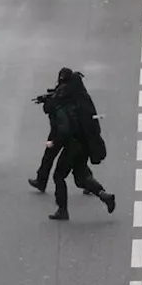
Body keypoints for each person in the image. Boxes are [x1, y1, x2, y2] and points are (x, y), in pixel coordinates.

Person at [45, 68, 116, 220]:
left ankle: (62, 210)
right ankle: (104, 196)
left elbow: (64, 130)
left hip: (73, 145)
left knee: (59, 176)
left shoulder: (65, 106)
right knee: (81, 177)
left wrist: (54, 143)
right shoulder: (80, 97)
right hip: (85, 144)